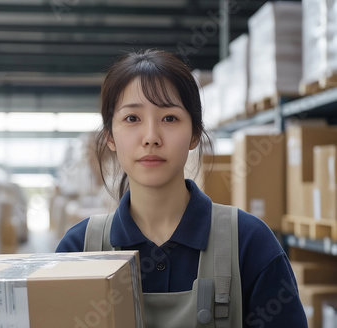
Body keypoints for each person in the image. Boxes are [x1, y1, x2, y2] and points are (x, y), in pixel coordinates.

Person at [55, 49, 307, 327]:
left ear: (195, 134)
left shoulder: (249, 244)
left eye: (170, 118)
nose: (151, 137)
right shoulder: (78, 250)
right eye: (132, 119)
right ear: (110, 137)